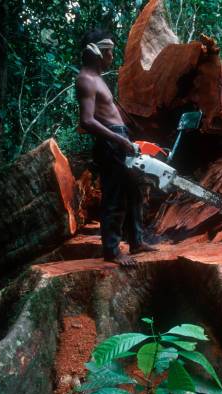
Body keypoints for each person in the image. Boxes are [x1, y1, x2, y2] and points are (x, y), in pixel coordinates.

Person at [76, 28, 157, 267]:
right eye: (109, 52)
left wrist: (126, 136)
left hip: (119, 139)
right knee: (114, 197)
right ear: (95, 52)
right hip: (111, 143)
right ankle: (112, 250)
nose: (112, 57)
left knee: (133, 191)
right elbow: (87, 120)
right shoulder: (85, 80)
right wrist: (118, 139)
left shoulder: (98, 79)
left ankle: (136, 240)